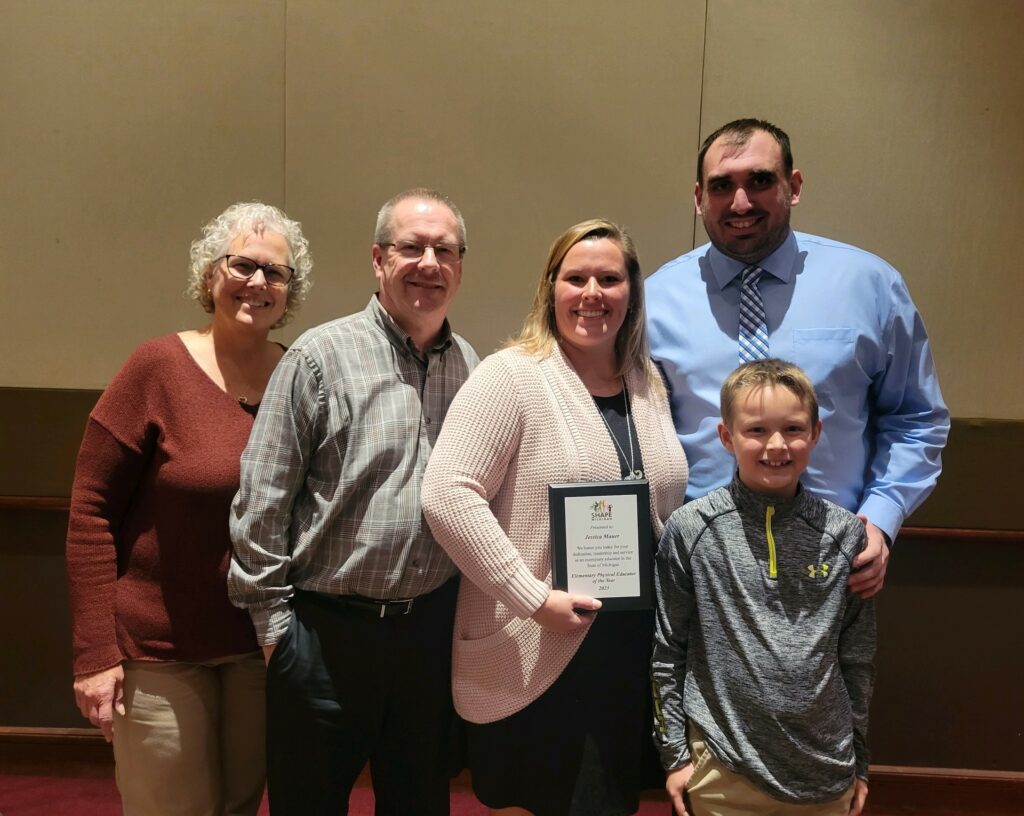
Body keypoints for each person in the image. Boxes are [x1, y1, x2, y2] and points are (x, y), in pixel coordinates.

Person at [422, 219, 688, 816]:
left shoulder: (649, 384)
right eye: (576, 278)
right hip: (539, 640)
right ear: (551, 288)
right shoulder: (511, 376)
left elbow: (660, 502)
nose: (592, 292)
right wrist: (532, 596)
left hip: (627, 652)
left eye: (609, 278)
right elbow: (446, 493)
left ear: (632, 292)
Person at [227, 188, 477, 815]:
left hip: (427, 638)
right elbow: (262, 502)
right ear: (377, 259)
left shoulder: (471, 366)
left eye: (443, 250)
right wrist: (276, 637)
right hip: (323, 638)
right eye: (410, 247)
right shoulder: (320, 356)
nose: (428, 263)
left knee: (419, 803)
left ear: (460, 265)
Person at [66, 201, 313, 815]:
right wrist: (95, 656)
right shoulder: (155, 368)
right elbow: (90, 512)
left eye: (275, 273)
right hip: (159, 655)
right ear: (210, 275)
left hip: (260, 648)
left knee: (238, 807)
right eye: (243, 265)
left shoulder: (300, 376)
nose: (258, 282)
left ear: (290, 292)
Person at [645, 118, 949, 599]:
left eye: (760, 181)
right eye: (723, 186)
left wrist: (880, 520)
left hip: (836, 562)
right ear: (700, 197)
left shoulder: (870, 287)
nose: (741, 202)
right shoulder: (654, 302)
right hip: (701, 567)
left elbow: (915, 418)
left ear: (794, 186)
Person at [652, 359, 875, 816]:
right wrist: (675, 754)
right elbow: (667, 650)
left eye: (793, 428)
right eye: (756, 431)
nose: (776, 445)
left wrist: (861, 762)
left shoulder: (845, 535)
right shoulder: (690, 529)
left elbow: (858, 658)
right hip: (721, 770)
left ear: (815, 433)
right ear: (727, 437)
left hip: (825, 771)